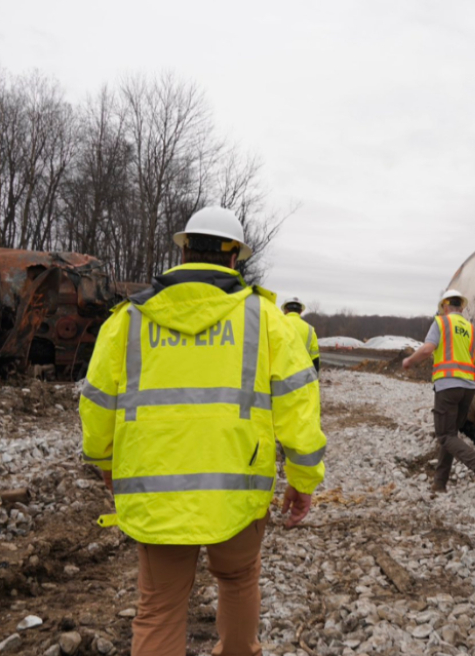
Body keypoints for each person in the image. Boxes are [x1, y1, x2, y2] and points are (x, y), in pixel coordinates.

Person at [79, 206, 326, 656]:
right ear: (234, 257)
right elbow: (299, 405)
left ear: (184, 251)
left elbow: (96, 402)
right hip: (238, 487)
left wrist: (104, 462)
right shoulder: (266, 319)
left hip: (155, 489)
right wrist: (303, 480)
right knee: (237, 581)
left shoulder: (128, 319)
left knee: (158, 607)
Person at [402, 289, 475, 496]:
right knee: (451, 435)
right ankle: (439, 483)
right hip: (468, 390)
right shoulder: (472, 331)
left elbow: (427, 349)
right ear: (461, 307)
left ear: (444, 307)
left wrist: (410, 361)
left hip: (447, 387)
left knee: (444, 435)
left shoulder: (441, 323)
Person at [281, 296, 320, 371]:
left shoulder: (275, 325)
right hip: (303, 375)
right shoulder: (310, 329)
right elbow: (315, 359)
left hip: (280, 374)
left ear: (286, 310)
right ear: (301, 311)